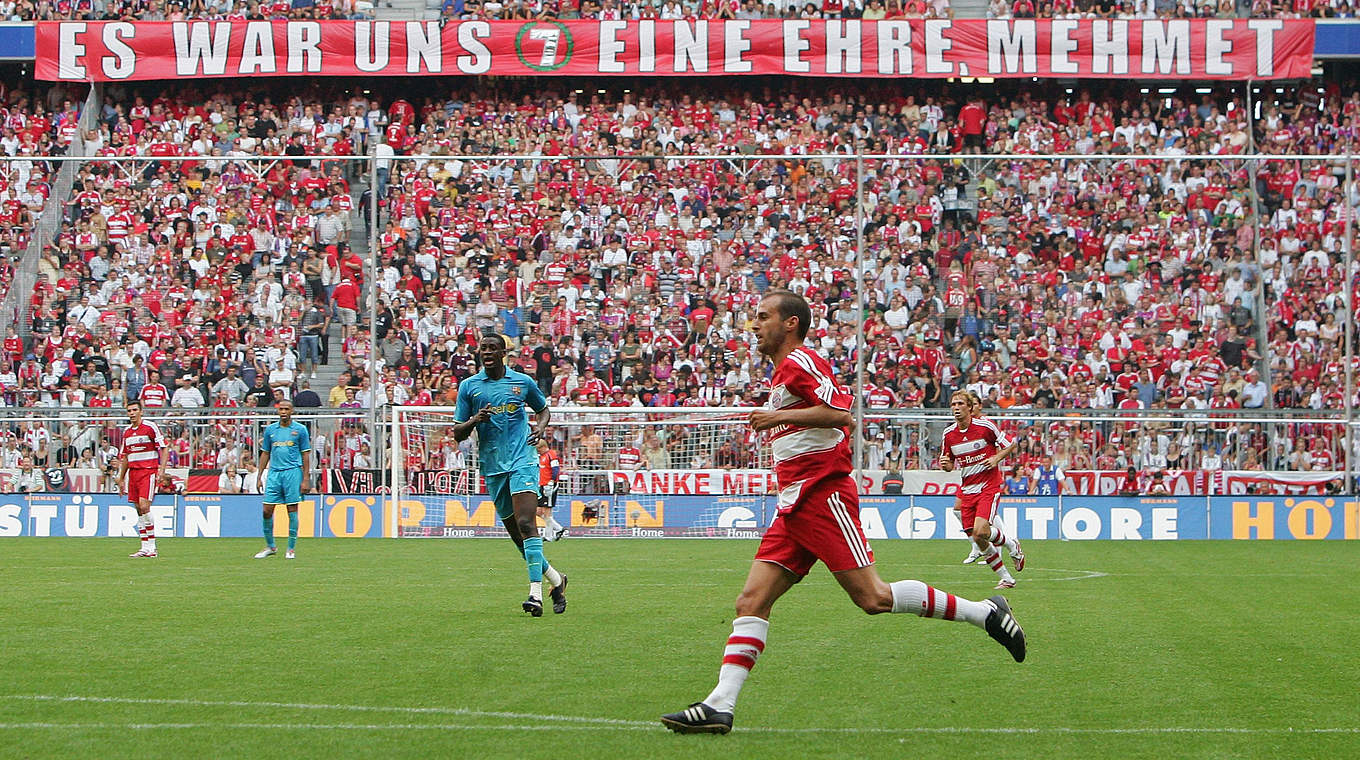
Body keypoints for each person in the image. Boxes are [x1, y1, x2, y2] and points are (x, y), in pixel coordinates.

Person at [662, 291, 1025, 735]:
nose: (753, 325)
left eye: (762, 317)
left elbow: (841, 415)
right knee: (751, 601)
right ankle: (721, 704)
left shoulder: (801, 361)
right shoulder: (783, 372)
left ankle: (986, 611)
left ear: (790, 323)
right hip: (794, 502)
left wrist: (774, 420)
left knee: (873, 597)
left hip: (822, 494)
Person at [453, 334, 569, 617]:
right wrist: (474, 421)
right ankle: (556, 579)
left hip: (523, 461)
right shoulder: (469, 387)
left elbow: (543, 410)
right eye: (484, 348)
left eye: (494, 348)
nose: (488, 352)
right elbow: (458, 432)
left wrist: (540, 428)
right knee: (518, 537)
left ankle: (535, 594)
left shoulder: (522, 382)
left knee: (527, 522)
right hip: (493, 467)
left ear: (504, 352)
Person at [940, 391, 1025, 589]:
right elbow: (949, 464)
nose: (956, 407)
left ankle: (1012, 544)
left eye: (960, 403)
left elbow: (1010, 444)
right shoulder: (949, 434)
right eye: (953, 404)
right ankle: (1007, 578)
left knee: (981, 530)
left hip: (988, 485)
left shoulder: (985, 426)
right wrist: (945, 465)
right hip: (968, 488)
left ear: (970, 408)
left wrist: (996, 458)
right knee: (979, 538)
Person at [254, 399, 312, 560]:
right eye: (281, 409)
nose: (284, 412)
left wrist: (306, 478)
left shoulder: (300, 430)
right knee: (266, 510)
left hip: (292, 472)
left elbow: (305, 454)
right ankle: (270, 546)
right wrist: (259, 476)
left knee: (291, 509)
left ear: (292, 411)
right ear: (278, 411)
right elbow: (265, 453)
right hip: (274, 473)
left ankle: (291, 548)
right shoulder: (271, 430)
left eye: (287, 409)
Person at [115, 399, 167, 558]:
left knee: (145, 506)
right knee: (138, 509)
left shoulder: (150, 427)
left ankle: (152, 546)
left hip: (148, 471)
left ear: (141, 411)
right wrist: (121, 477)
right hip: (134, 474)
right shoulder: (127, 432)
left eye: (134, 410)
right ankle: (145, 546)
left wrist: (162, 470)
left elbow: (163, 449)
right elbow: (125, 457)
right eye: (129, 411)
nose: (131, 413)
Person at [536, 438, 567, 542]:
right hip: (542, 485)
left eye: (539, 449)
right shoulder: (542, 456)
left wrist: (552, 481)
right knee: (538, 511)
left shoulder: (551, 455)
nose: (538, 452)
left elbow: (556, 469)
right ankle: (559, 529)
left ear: (543, 447)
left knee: (547, 511)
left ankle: (548, 535)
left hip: (549, 486)